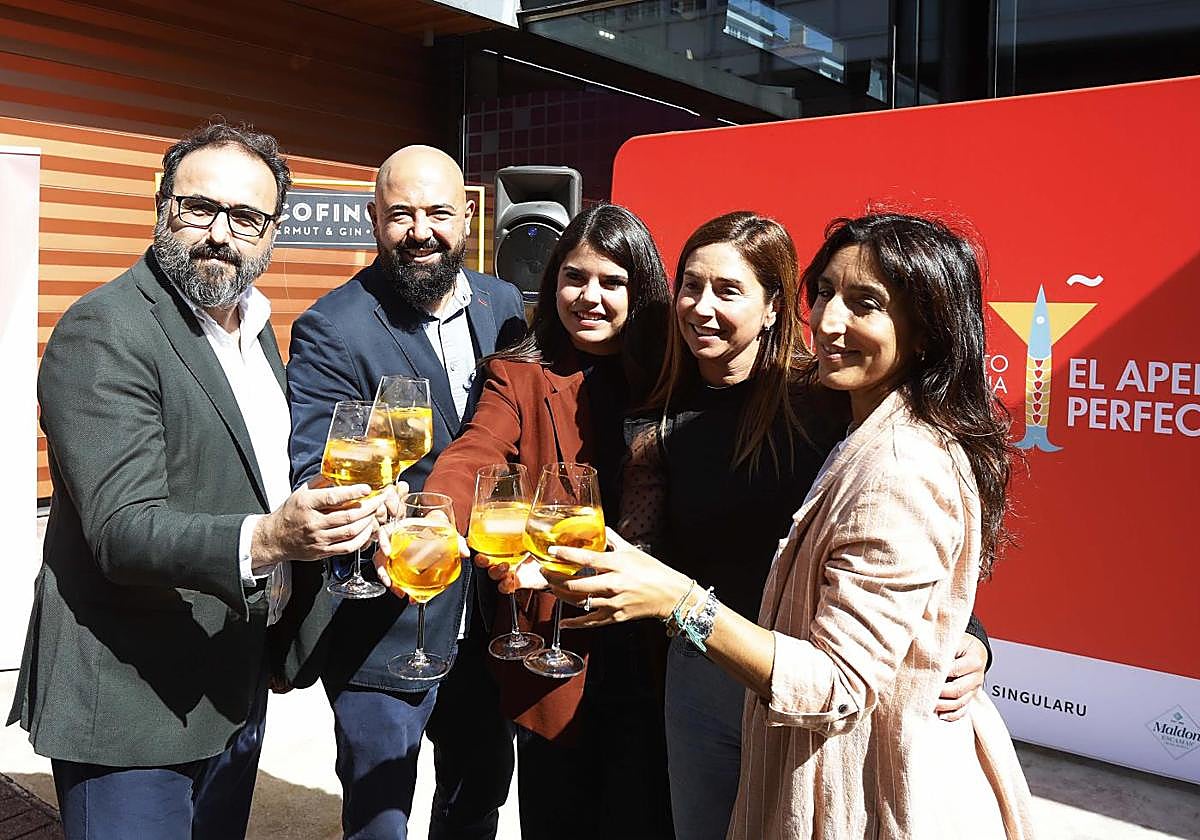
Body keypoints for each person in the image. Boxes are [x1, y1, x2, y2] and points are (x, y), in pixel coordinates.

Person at [550, 212, 1035, 839]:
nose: (701, 308)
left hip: (800, 667)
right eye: (690, 286)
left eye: (728, 290)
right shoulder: (659, 417)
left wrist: (967, 634)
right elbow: (645, 551)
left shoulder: (831, 401)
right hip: (704, 668)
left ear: (773, 306)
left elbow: (899, 553)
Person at [8, 122, 388, 840]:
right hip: (131, 702)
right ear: (162, 207)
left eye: (246, 217)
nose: (220, 234)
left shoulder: (254, 327)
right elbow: (122, 529)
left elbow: (247, 471)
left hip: (230, 681)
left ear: (271, 232)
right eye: (200, 208)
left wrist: (345, 502)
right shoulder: (105, 329)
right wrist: (272, 537)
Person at [280, 145, 526, 839]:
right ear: (373, 219)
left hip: (490, 615)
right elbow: (315, 465)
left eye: (438, 213)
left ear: (469, 216)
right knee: (378, 818)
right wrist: (361, 501)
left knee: (477, 801)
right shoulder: (335, 326)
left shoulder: (505, 305)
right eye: (400, 215)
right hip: (384, 625)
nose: (420, 231)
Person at [420, 203, 674, 839]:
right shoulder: (521, 372)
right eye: (574, 277)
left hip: (662, 648)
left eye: (612, 281)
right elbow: (475, 451)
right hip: (559, 640)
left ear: (641, 289)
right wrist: (436, 520)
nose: (589, 297)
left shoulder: (676, 373)